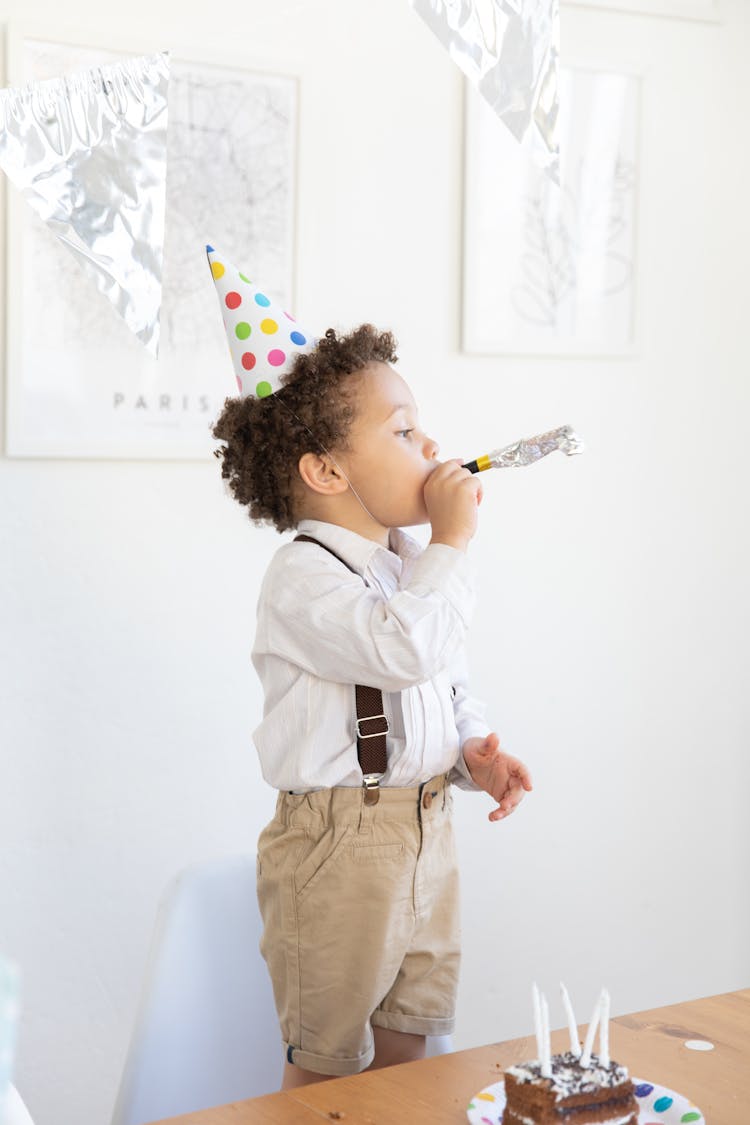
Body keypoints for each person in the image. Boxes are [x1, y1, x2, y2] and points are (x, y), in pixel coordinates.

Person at [207, 250, 533, 1089]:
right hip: (338, 849)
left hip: (427, 831)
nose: (429, 444)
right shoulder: (304, 576)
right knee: (331, 1071)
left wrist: (472, 751)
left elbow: (444, 675)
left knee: (409, 1053)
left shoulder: (405, 562)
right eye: (402, 430)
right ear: (326, 470)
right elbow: (403, 648)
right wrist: (453, 542)